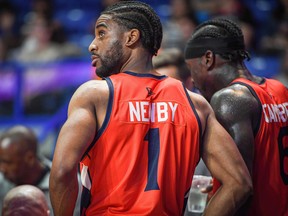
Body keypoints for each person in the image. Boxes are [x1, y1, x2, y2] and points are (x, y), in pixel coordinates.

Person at [49, 1, 252, 216]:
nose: (92, 45)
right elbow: (239, 183)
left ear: (131, 37)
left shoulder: (95, 95)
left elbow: (62, 172)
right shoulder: (196, 104)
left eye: (101, 34)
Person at [184, 17, 288, 216]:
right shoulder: (279, 88)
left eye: (192, 68)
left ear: (208, 59)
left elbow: (239, 190)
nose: (192, 79)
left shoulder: (228, 100)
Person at [0, 125, 81, 215]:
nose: (2, 168)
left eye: (7, 162)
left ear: (29, 158)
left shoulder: (69, 185)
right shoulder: (2, 182)